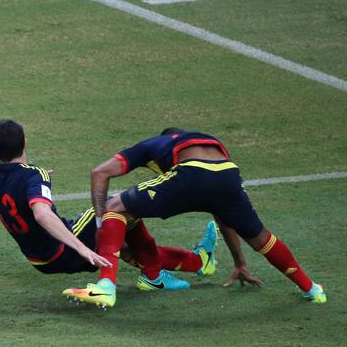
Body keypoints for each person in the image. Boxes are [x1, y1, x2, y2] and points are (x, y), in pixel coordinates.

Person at [63, 128, 327, 308]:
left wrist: (99, 224)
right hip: (228, 174)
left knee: (115, 207)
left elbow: (100, 172)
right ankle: (312, 289)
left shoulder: (155, 145)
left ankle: (106, 286)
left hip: (191, 174)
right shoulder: (209, 145)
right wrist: (240, 262)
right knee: (262, 238)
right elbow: (224, 217)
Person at [0, 120, 217, 298]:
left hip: (39, 260)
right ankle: (143, 278)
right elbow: (41, 214)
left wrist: (23, 193)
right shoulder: (34, 175)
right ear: (25, 142)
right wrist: (82, 248)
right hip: (61, 250)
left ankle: (197, 262)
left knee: (118, 241)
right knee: (120, 206)